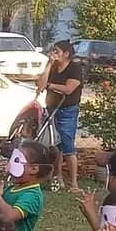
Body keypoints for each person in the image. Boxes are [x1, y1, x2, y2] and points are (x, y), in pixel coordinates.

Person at [37, 40, 84, 192]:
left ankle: (74, 183)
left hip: (67, 110)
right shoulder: (53, 68)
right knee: (55, 145)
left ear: (66, 54)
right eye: (53, 51)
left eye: (57, 51)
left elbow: (69, 88)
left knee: (67, 144)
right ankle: (58, 177)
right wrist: (49, 65)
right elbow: (40, 84)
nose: (53, 54)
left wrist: (51, 86)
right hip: (51, 108)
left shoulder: (74, 69)